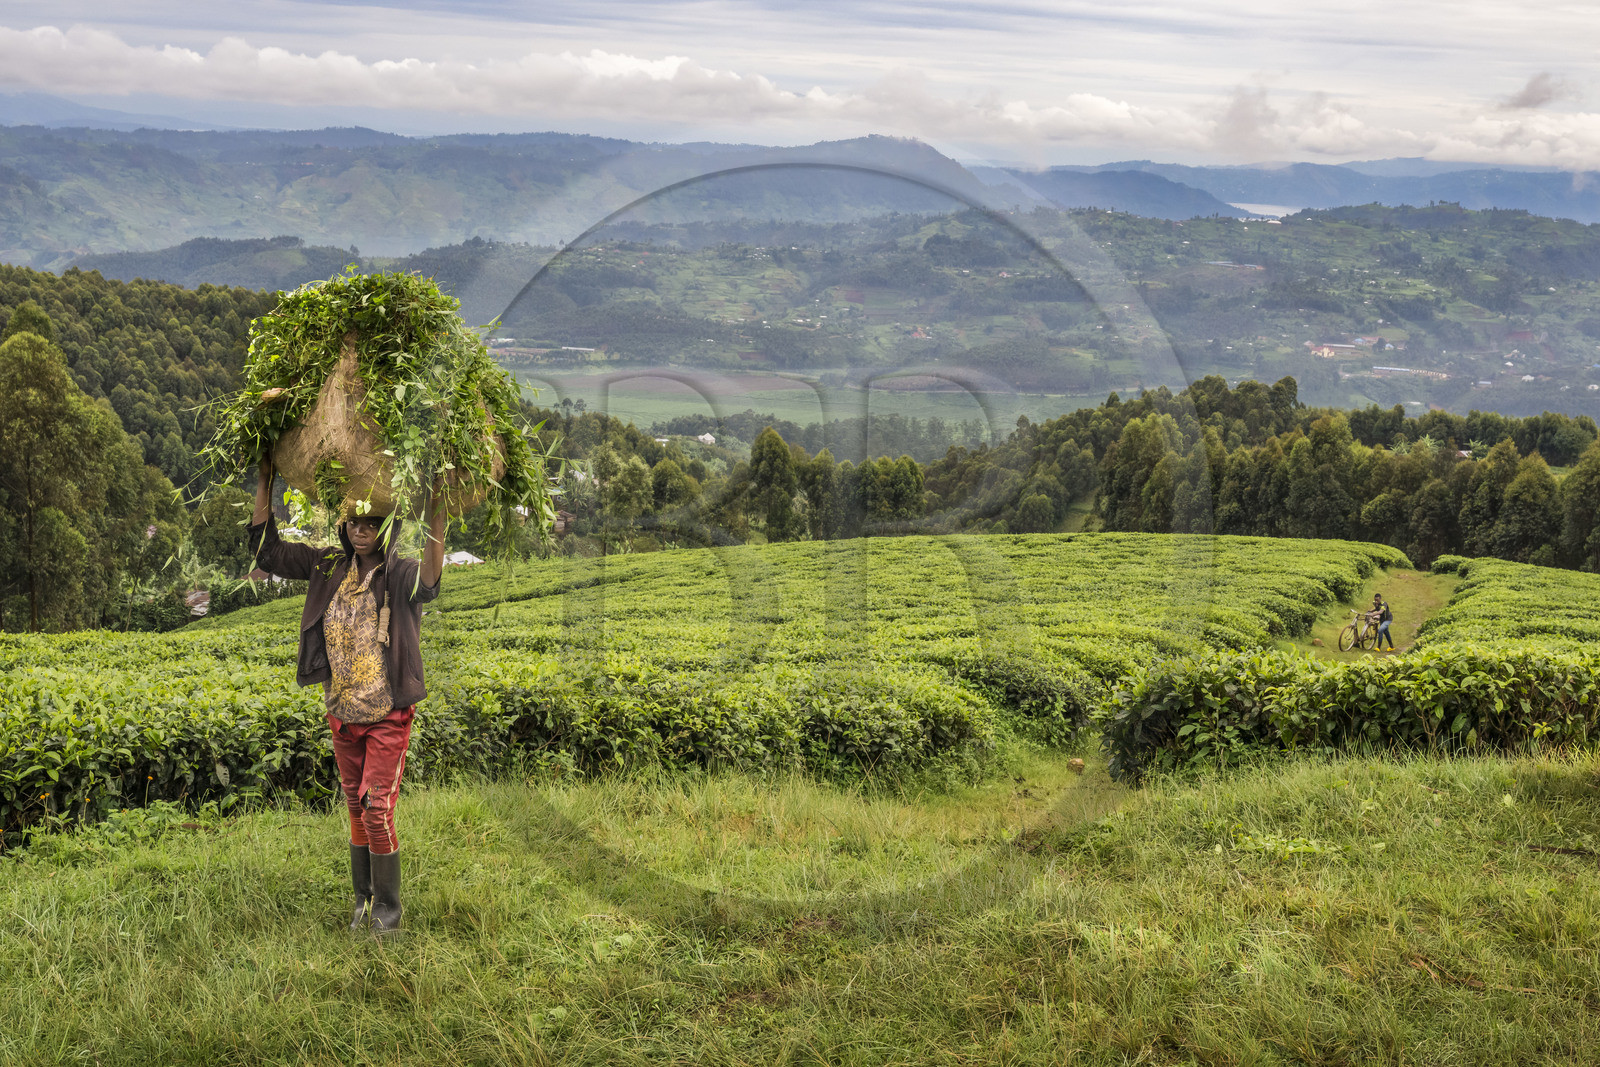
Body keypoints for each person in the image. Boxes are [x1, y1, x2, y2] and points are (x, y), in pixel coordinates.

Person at [249, 456, 447, 934]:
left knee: (377, 806)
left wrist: (439, 499)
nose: (361, 528)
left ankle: (388, 916)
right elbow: (267, 552)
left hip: (385, 715)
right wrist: (264, 477)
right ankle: (362, 904)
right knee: (356, 807)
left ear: (388, 527)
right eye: (354, 519)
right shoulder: (327, 565)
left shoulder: (399, 575)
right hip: (342, 714)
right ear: (343, 522)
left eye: (372, 521)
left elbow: (433, 578)